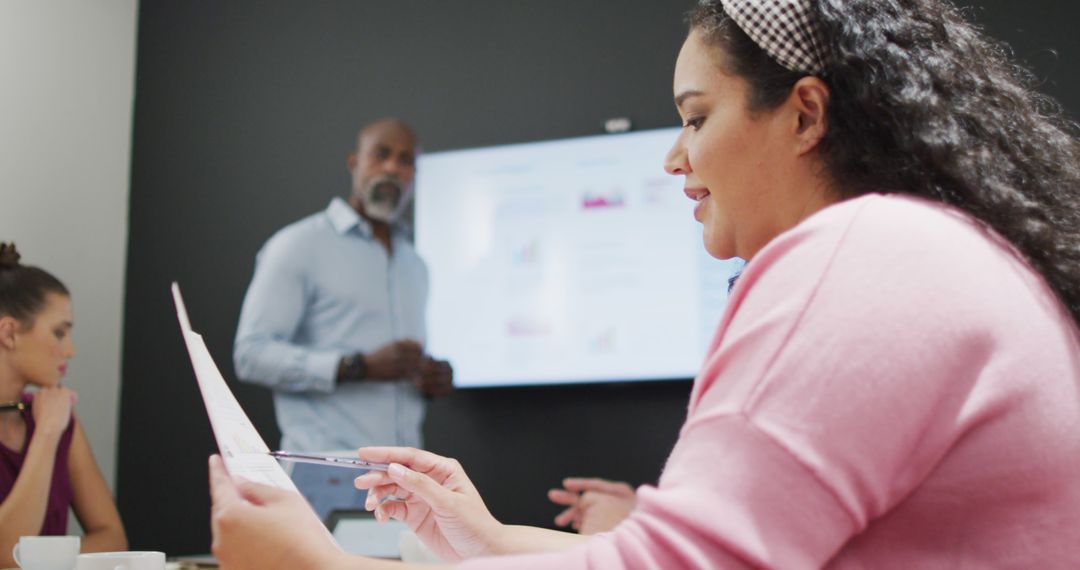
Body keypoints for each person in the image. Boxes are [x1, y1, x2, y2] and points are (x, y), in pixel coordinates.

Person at [208, 0, 1080, 567]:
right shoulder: (943, 251)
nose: (674, 158)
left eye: (696, 118)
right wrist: (485, 543)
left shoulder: (857, 255)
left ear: (806, 114)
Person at [233, 118, 453, 519]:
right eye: (381, 154)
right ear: (355, 163)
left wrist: (428, 379)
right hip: (326, 477)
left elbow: (397, 368)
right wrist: (358, 366)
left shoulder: (415, 264)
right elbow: (251, 354)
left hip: (406, 483)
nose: (392, 168)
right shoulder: (298, 246)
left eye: (405, 160)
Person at [0, 243, 127, 567]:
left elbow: (113, 538)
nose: (69, 351)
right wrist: (46, 435)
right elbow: (4, 557)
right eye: (59, 333)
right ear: (9, 333)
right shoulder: (52, 421)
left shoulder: (57, 417)